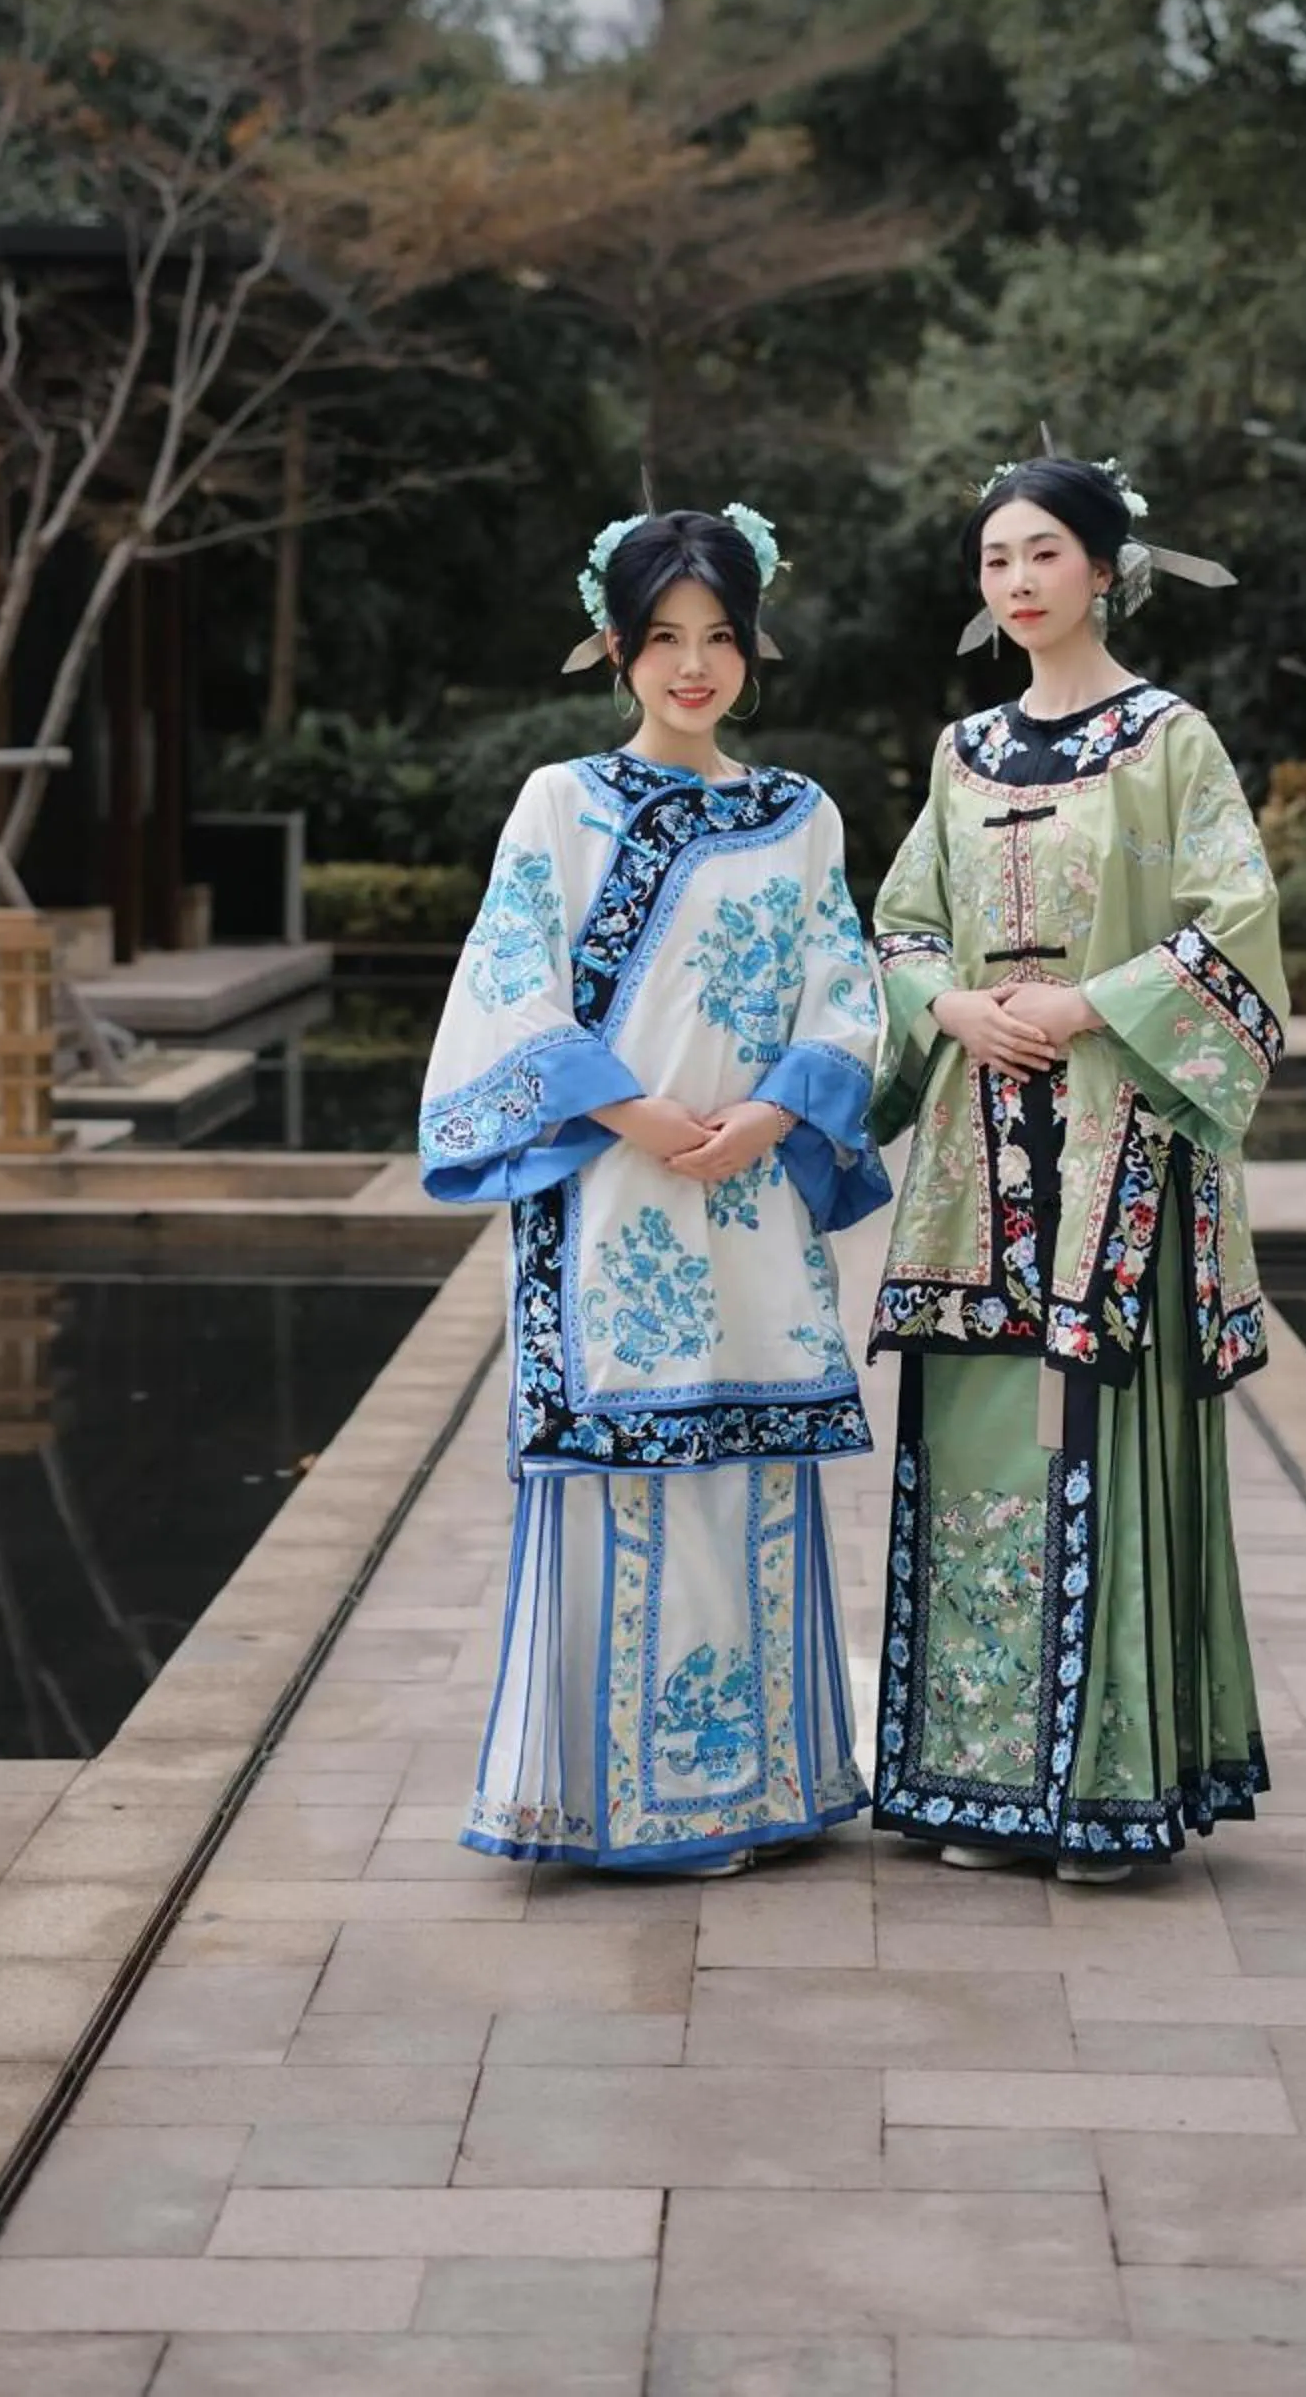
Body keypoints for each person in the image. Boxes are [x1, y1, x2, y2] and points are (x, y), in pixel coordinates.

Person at [419, 502, 890, 1874]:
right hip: (610, 1196)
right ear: (616, 648)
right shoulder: (561, 804)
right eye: (665, 639)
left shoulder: (800, 815)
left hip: (745, 1198)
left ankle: (752, 1793)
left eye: (720, 639)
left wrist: (766, 1116)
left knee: (744, 1471)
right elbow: (510, 988)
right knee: (627, 1484)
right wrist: (632, 1110)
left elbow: (843, 992)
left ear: (754, 649)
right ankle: (604, 1807)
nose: (695, 666)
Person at [867, 452, 1286, 1882]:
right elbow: (905, 920)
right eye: (996, 561)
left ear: (1105, 569)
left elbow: (1236, 921)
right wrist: (955, 1009)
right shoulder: (961, 753)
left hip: (1123, 1151)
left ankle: (1107, 1791)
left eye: (1044, 553)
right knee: (981, 1445)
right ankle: (981, 1785)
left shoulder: (1170, 741)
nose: (1019, 581)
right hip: (980, 1162)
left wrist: (1088, 1006)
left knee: (1097, 1442)